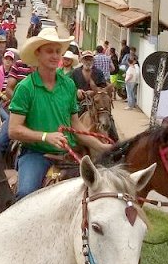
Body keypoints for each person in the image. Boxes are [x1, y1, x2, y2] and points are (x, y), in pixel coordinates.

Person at [8, 27, 109, 199]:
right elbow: (13, 130)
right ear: (37, 54)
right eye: (49, 51)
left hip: (68, 155)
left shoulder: (68, 85)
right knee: (26, 193)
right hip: (36, 154)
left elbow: (75, 125)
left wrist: (102, 147)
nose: (55, 56)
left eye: (58, 51)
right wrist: (45, 136)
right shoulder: (25, 88)